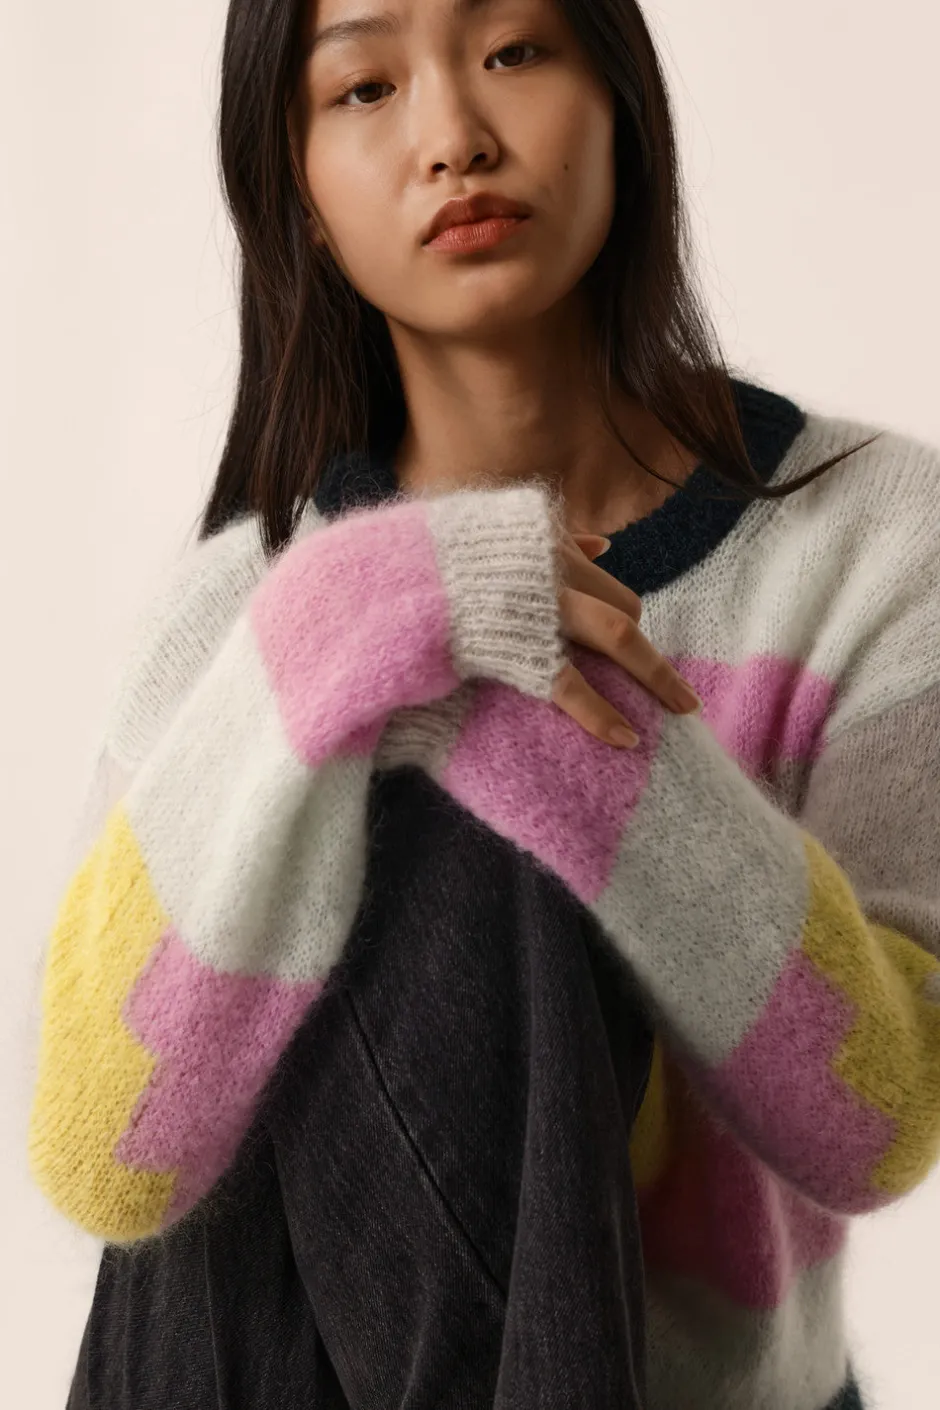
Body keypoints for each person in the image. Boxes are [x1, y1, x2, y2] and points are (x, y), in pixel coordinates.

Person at [26, 1, 940, 1407]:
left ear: (621, 103)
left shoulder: (870, 543)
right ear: (299, 192)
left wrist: (507, 690)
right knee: (307, 820)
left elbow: (877, 1118)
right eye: (365, 88)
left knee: (447, 840)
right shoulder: (246, 624)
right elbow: (103, 1155)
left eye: (514, 51)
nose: (452, 138)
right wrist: (344, 634)